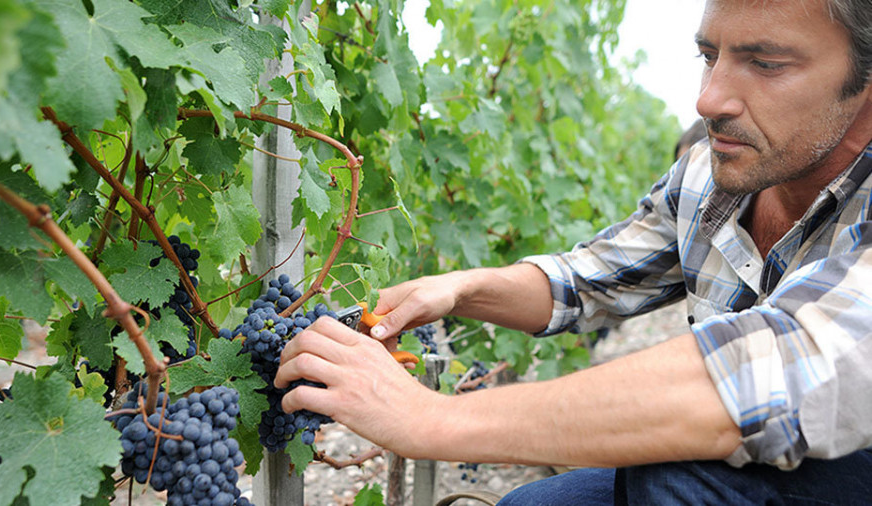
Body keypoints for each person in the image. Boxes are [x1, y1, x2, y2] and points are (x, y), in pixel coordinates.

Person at [275, 0, 872, 503]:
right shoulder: (711, 176)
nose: (708, 100)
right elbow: (588, 280)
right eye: (709, 57)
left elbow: (763, 382)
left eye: (765, 64)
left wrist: (430, 419)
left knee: (674, 475)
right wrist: (457, 290)